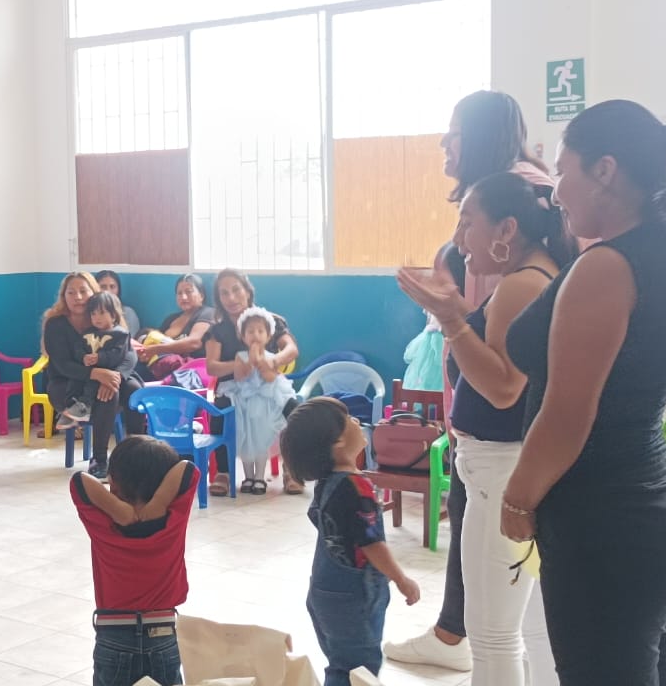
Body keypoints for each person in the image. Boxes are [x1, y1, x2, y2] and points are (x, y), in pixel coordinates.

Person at [501, 100, 666, 684]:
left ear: (605, 171)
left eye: (562, 171)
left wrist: (518, 498)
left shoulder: (607, 267)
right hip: (658, 509)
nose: (555, 192)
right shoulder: (664, 249)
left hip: (611, 526)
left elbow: (569, 413)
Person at [387, 89, 556, 674]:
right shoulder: (524, 263)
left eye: (468, 224)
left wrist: (453, 318)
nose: (462, 240)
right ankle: (453, 633)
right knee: (526, 628)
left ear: (507, 227)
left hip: (504, 455)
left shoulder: (520, 280)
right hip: (496, 450)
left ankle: (454, 637)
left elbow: (504, 383)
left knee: (498, 633)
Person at [281, 397, 420, 686]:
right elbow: (372, 545)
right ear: (338, 443)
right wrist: (401, 578)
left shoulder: (326, 483)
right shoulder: (357, 487)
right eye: (349, 420)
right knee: (359, 668)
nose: (357, 422)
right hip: (354, 596)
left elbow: (318, 518)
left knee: (341, 663)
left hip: (323, 592)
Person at [70, 436, 198, 686]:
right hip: (163, 634)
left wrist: (119, 510)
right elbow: (188, 469)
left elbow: (78, 481)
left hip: (113, 635)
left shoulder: (104, 522)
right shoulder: (172, 518)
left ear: (113, 484)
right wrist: (159, 504)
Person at [205, 268, 300, 495]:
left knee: (295, 411)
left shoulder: (270, 321)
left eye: (236, 290)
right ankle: (223, 473)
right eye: (224, 293)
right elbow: (212, 366)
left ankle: (292, 470)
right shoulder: (217, 331)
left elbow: (291, 349)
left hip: (268, 386)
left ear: (247, 291)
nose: (231, 298)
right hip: (234, 390)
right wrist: (237, 366)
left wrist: (274, 361)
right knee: (220, 411)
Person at [42, 272, 141, 479]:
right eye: (71, 292)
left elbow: (129, 354)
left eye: (83, 291)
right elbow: (62, 364)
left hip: (109, 374)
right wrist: (97, 374)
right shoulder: (55, 323)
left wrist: (113, 376)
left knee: (134, 390)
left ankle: (137, 451)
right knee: (107, 394)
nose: (77, 297)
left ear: (93, 292)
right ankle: (100, 459)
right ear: (63, 296)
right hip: (67, 382)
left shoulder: (104, 315)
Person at [58, 292, 131, 429]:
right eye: (93, 314)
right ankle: (71, 407)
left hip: (108, 371)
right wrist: (83, 357)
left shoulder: (120, 334)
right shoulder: (88, 332)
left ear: (113, 314)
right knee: (75, 381)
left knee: (93, 386)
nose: (97, 318)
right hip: (89, 370)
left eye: (102, 313)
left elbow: (118, 354)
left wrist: (100, 357)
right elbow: (78, 348)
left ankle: (83, 408)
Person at [135, 274, 215, 381]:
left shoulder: (208, 313)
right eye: (179, 293)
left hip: (190, 372)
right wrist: (144, 352)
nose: (183, 297)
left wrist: (155, 349)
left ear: (201, 295)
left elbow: (194, 343)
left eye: (189, 292)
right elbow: (155, 338)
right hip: (161, 367)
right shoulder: (171, 319)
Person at [95, 269, 140, 335]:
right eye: (103, 287)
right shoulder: (91, 314)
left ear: (118, 289)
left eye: (112, 287)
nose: (108, 291)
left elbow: (131, 339)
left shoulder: (128, 313)